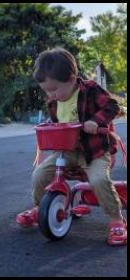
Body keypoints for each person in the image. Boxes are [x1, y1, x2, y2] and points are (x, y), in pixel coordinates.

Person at [16, 47, 127, 246]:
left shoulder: (90, 89)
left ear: (72, 78)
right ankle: (41, 207)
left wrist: (96, 121)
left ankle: (116, 219)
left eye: (54, 89)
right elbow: (59, 124)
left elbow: (112, 105)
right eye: (46, 91)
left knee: (99, 179)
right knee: (40, 174)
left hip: (94, 152)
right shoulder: (54, 103)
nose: (51, 95)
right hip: (66, 152)